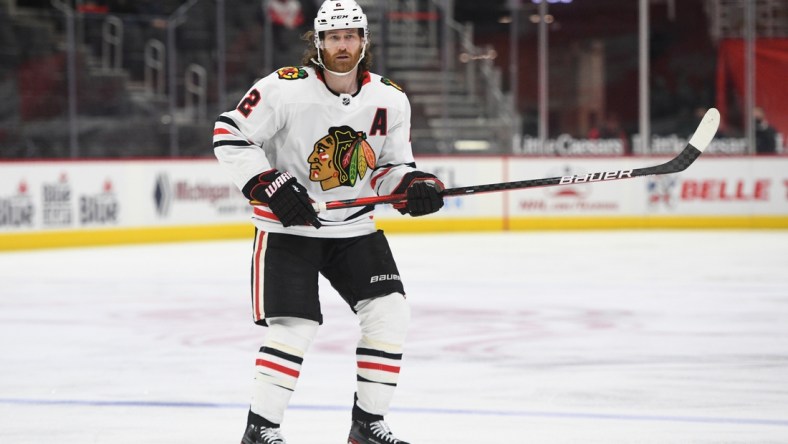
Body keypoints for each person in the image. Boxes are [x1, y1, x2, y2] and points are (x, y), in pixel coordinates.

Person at [212, 1, 445, 443]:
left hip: (354, 228)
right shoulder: (284, 88)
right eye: (334, 36)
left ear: (364, 41)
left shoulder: (390, 98)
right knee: (294, 327)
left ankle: (367, 426)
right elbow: (229, 133)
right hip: (288, 230)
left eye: (351, 36)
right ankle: (261, 432)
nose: (343, 45)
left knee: (389, 312)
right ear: (317, 42)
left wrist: (415, 183)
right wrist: (267, 181)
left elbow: (388, 167)